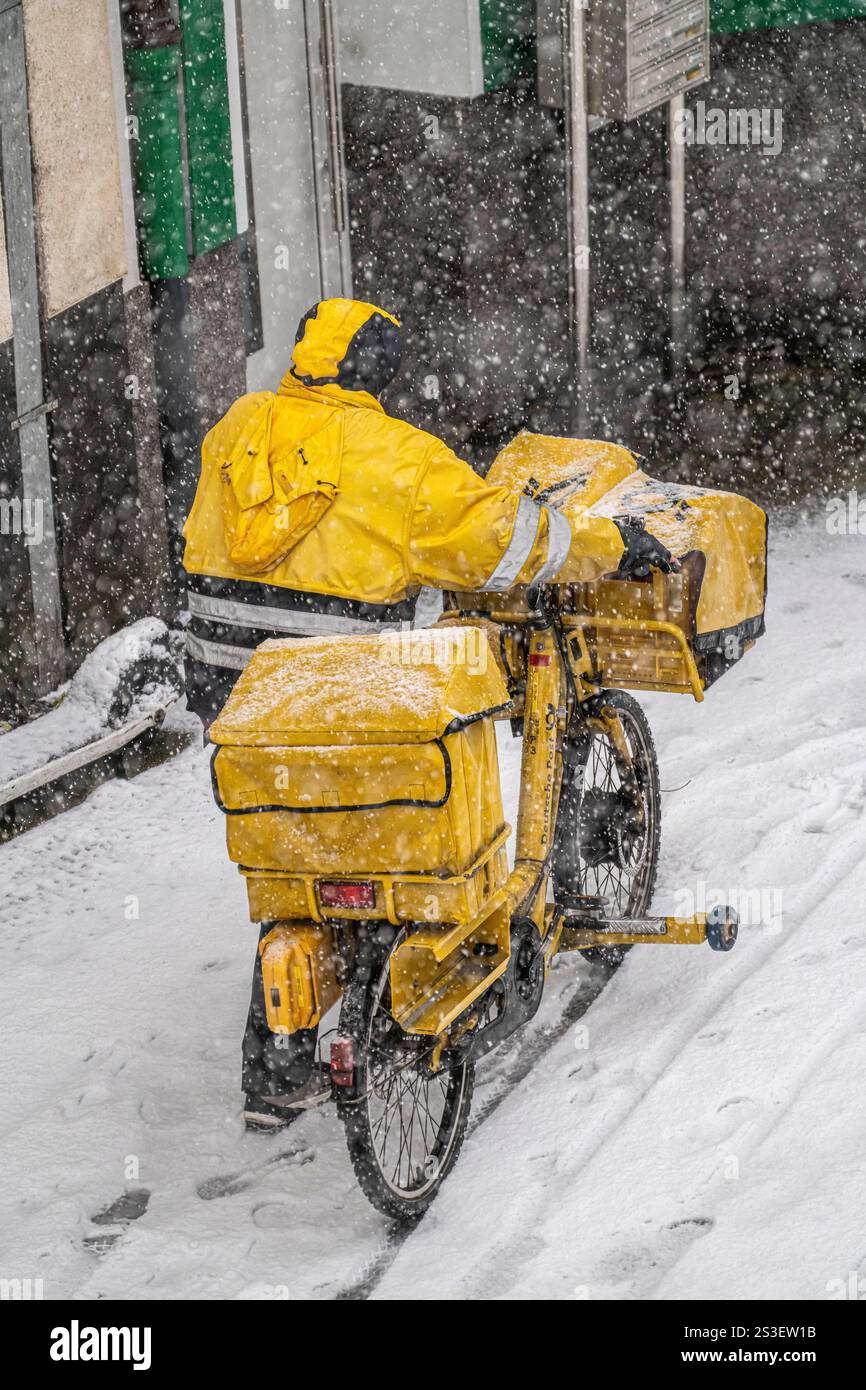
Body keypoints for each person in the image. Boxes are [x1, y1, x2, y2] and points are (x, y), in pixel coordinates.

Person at [182, 296, 675, 1128]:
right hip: (340, 700)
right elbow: (504, 541)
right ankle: (402, 990)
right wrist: (608, 544)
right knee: (397, 821)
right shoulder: (402, 459)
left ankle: (277, 1063)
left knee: (289, 848)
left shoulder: (238, 426)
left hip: (238, 699)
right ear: (380, 373)